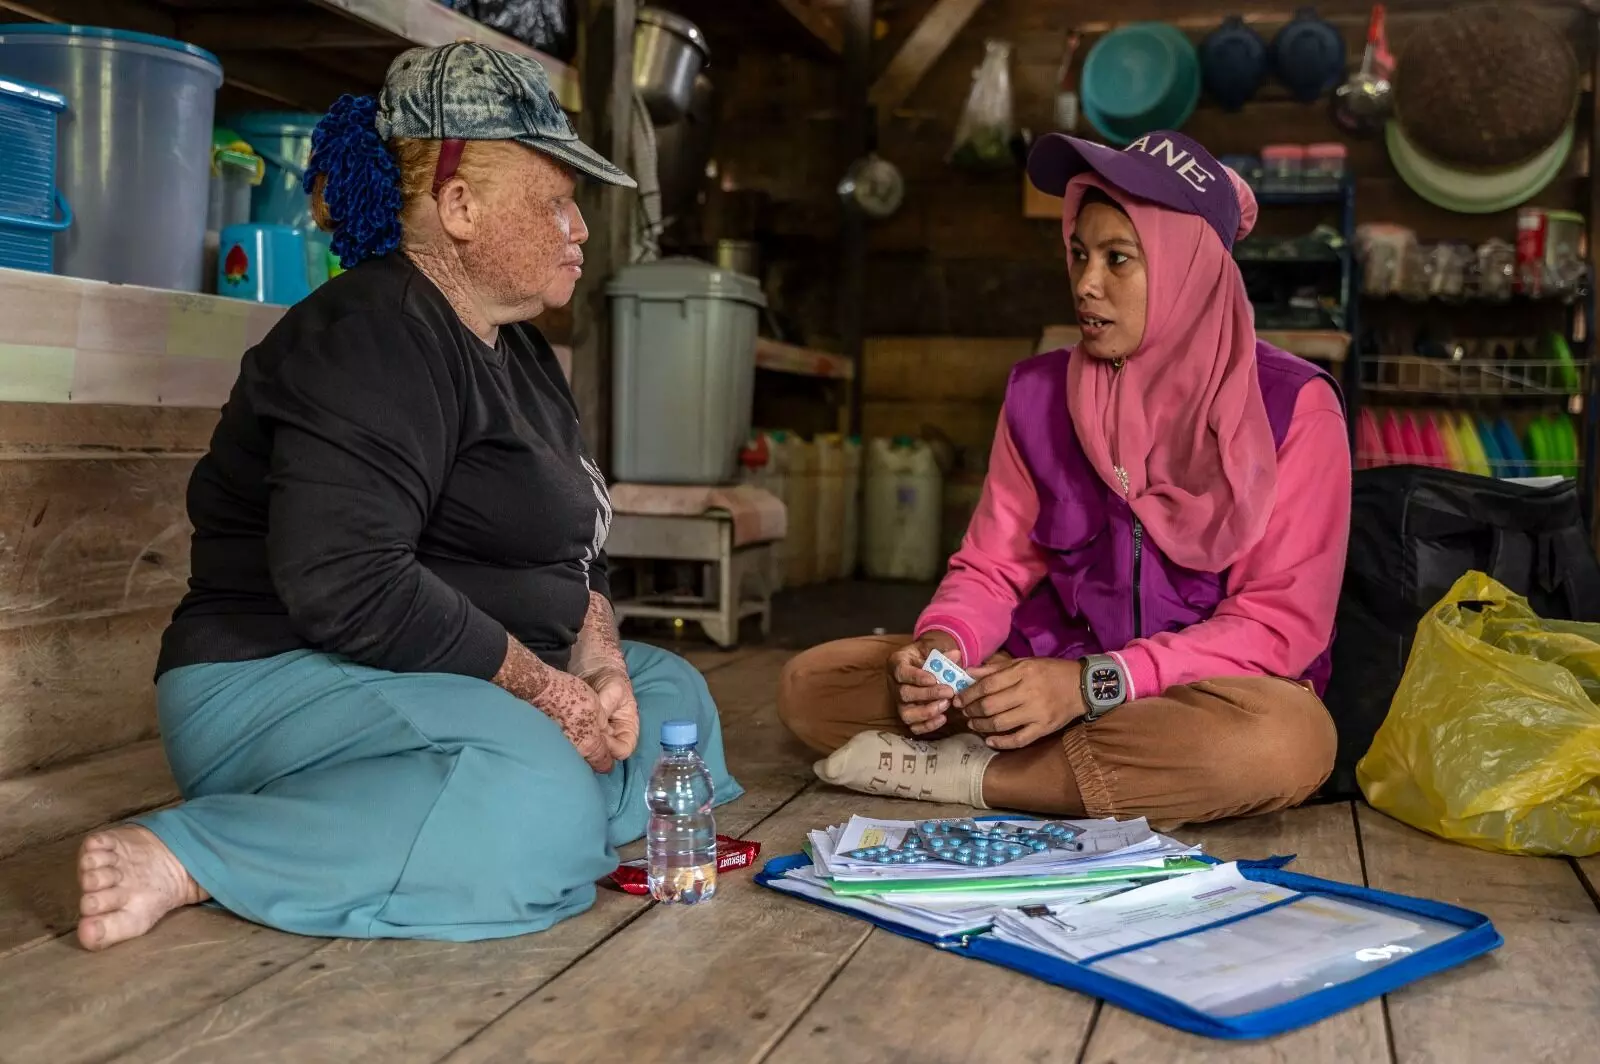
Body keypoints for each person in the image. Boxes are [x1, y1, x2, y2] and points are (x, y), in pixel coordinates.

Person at [75, 44, 742, 951]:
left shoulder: (527, 355)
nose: (579, 229)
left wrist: (601, 666)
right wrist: (547, 692)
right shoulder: (372, 333)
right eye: (555, 203)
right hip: (280, 678)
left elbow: (575, 560)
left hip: (446, 683)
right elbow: (344, 581)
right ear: (459, 206)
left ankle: (459, 811)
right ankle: (201, 851)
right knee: (543, 808)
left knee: (677, 703)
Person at [778, 131, 1349, 828]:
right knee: (815, 685)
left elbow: (1275, 626)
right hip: (1036, 676)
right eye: (1079, 254)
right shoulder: (1039, 393)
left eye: (1118, 260)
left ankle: (977, 776)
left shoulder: (1296, 407)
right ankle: (1049, 762)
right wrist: (946, 646)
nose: (1085, 283)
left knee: (1287, 744)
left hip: (1192, 697)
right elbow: (991, 566)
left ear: (1188, 269)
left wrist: (1092, 684)